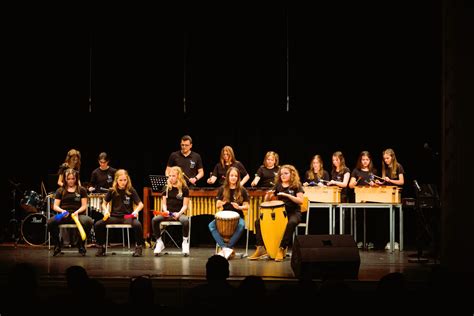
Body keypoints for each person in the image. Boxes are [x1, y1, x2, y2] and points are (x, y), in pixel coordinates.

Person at [248, 164, 304, 262]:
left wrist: (287, 195)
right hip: (280, 212)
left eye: (286, 173)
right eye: (281, 174)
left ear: (292, 174)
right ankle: (261, 248)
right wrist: (268, 196)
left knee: (291, 223)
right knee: (258, 222)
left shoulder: (296, 185)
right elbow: (266, 200)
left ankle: (282, 248)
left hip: (293, 212)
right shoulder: (278, 185)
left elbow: (300, 201)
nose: (283, 175)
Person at [94, 169, 145, 257]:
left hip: (127, 217)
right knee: (98, 224)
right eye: (120, 180)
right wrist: (106, 210)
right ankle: (101, 247)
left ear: (127, 179)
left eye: (125, 180)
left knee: (138, 225)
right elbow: (104, 203)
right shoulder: (112, 190)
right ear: (116, 180)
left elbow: (141, 204)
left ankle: (139, 247)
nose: (123, 182)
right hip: (114, 217)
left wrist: (136, 211)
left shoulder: (131, 190)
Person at [47, 168, 93, 256]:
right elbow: (55, 206)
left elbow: (84, 206)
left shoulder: (82, 190)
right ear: (65, 179)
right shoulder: (60, 190)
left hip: (77, 215)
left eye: (73, 179)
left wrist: (77, 212)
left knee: (89, 221)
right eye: (68, 179)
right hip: (63, 214)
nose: (71, 181)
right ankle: (57, 244)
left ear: (76, 179)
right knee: (50, 222)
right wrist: (62, 211)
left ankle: (80, 244)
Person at [208, 166, 249, 260]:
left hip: (238, 217)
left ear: (238, 177)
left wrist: (239, 207)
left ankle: (227, 248)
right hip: (223, 216)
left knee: (242, 225)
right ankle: (224, 247)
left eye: (235, 176)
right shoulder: (222, 189)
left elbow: (247, 206)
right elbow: (217, 204)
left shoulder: (242, 190)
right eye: (231, 175)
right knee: (211, 225)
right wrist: (221, 202)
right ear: (228, 177)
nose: (233, 177)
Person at [152, 166, 191, 256]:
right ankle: (159, 242)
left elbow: (185, 205)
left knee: (185, 221)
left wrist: (179, 213)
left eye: (173, 176)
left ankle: (185, 242)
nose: (171, 178)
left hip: (179, 213)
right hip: (167, 213)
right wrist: (165, 211)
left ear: (178, 176)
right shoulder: (166, 187)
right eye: (170, 176)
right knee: (155, 220)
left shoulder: (184, 188)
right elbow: (164, 203)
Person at [349, 151, 378, 249]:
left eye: (367, 160)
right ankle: (360, 241)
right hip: (359, 200)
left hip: (370, 199)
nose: (365, 162)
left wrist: (374, 184)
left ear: (370, 160)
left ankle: (370, 241)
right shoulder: (356, 171)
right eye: (363, 160)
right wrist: (354, 183)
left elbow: (375, 184)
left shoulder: (373, 171)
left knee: (371, 221)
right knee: (359, 220)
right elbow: (350, 185)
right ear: (360, 160)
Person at [377, 148, 405, 250]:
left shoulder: (398, 166)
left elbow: (401, 182)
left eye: (387, 158)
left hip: (395, 196)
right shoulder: (385, 168)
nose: (386, 160)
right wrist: (381, 182)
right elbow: (386, 182)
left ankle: (396, 241)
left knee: (396, 219)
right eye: (384, 159)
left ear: (392, 157)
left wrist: (391, 181)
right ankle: (389, 241)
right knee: (386, 220)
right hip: (387, 196)